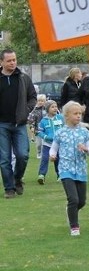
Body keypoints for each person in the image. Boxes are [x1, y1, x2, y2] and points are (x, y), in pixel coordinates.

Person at [49, 101, 89, 237]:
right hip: (65, 169)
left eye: (80, 113)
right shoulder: (60, 133)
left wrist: (86, 149)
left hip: (81, 170)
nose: (78, 116)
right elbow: (53, 148)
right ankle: (74, 226)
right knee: (73, 199)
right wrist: (52, 155)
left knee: (81, 201)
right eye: (75, 113)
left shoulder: (85, 132)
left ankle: (70, 211)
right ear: (66, 116)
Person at [0, 48, 37, 198]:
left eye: (14, 60)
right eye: (9, 60)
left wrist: (25, 111)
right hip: (1, 125)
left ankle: (17, 179)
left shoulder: (24, 78)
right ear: (1, 62)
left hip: (19, 124)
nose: (12, 63)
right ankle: (9, 188)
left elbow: (33, 97)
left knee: (23, 155)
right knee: (4, 159)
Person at [37, 100, 64, 184]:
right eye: (52, 107)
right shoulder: (43, 121)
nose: (55, 108)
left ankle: (60, 175)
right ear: (47, 109)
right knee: (44, 159)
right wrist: (45, 137)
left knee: (58, 159)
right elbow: (39, 132)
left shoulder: (60, 118)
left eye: (56, 106)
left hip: (59, 145)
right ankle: (41, 175)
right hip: (47, 145)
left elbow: (65, 128)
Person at [27, 94, 46, 159]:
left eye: (42, 101)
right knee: (39, 144)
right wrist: (32, 126)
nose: (41, 102)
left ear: (45, 101)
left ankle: (44, 154)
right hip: (38, 130)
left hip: (46, 130)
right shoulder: (35, 110)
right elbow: (31, 119)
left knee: (45, 144)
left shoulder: (47, 110)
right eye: (39, 101)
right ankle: (39, 152)